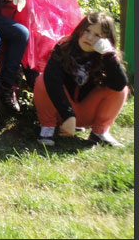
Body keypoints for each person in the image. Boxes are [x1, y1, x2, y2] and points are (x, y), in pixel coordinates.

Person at [34, 12, 129, 147]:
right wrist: (68, 115)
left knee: (122, 90)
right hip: (62, 110)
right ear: (80, 30)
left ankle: (99, 133)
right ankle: (47, 129)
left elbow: (119, 85)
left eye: (97, 35)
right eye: (87, 31)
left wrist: (109, 56)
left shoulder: (107, 57)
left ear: (106, 39)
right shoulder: (64, 47)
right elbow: (51, 79)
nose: (89, 37)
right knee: (43, 80)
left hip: (87, 111)